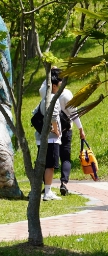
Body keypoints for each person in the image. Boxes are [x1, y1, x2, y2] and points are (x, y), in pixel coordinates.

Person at [39, 67, 87, 196]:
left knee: (48, 160)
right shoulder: (66, 94)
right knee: (65, 158)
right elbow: (74, 114)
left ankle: (47, 186)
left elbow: (43, 85)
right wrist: (81, 129)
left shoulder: (45, 92)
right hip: (65, 130)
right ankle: (64, 183)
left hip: (50, 131)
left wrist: (49, 71)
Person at [34, 72, 63, 201]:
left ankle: (41, 191)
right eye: (60, 84)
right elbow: (54, 117)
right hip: (51, 138)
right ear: (54, 86)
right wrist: (56, 130)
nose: (62, 86)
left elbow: (34, 112)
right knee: (50, 166)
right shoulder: (52, 98)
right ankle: (47, 192)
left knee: (44, 165)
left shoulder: (44, 98)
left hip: (41, 138)